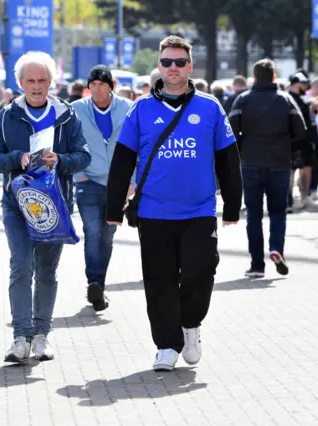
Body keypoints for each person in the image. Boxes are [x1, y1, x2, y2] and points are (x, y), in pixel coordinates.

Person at [106, 35, 242, 371]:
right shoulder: (141, 109)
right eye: (167, 62)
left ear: (190, 66)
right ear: (159, 66)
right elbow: (123, 160)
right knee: (159, 280)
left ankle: (190, 325)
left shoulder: (210, 107)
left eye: (180, 62)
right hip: (153, 212)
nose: (173, 68)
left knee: (200, 273)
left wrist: (233, 205)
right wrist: (112, 208)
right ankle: (166, 345)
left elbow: (227, 158)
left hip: (199, 211)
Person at [0, 51, 91, 363]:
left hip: (54, 207)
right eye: (30, 80)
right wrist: (16, 158)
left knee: (46, 270)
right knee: (21, 266)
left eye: (42, 79)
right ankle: (20, 337)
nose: (36, 85)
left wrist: (61, 161)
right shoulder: (5, 117)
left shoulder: (67, 115)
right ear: (19, 83)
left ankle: (42, 336)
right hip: (16, 205)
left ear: (51, 82)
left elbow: (83, 156)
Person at [229, 59, 306, 278]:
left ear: (254, 78)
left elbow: (230, 131)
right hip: (280, 163)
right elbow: (301, 131)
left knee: (253, 214)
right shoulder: (286, 100)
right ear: (273, 77)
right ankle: (276, 249)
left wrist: (243, 148)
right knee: (278, 211)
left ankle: (256, 265)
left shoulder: (242, 100)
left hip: (251, 163)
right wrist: (285, 144)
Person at [71, 65, 133, 312]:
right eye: (92, 84)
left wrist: (133, 181)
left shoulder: (128, 108)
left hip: (118, 184)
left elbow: (139, 145)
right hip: (89, 182)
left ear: (111, 86)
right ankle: (94, 282)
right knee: (93, 231)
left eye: (101, 84)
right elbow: (66, 142)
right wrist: (78, 175)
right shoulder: (76, 109)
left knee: (107, 236)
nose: (96, 89)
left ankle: (100, 285)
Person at [287, 72, 318, 211]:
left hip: (306, 142)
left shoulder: (305, 100)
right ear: (295, 84)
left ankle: (304, 198)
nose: (306, 86)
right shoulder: (287, 99)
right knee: (291, 171)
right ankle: (289, 199)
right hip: (293, 141)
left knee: (307, 168)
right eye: (303, 84)